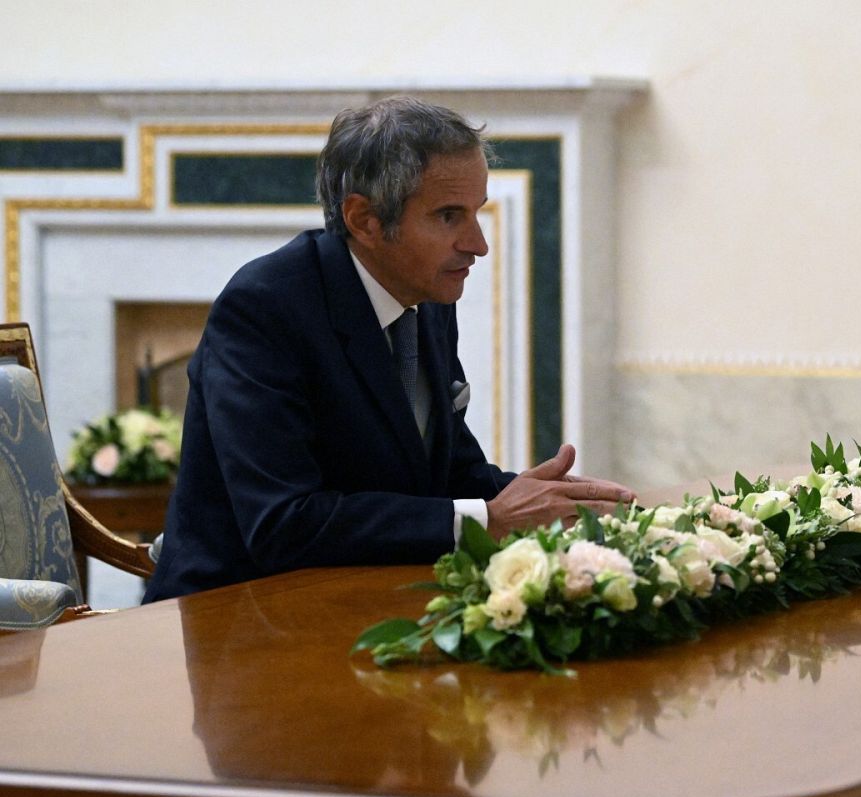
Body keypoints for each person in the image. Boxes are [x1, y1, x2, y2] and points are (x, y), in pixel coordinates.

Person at [145, 98, 634, 603]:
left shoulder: (428, 296)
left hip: (364, 599)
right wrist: (489, 519)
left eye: (476, 213)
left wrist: (558, 504)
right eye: (449, 216)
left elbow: (449, 475)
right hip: (234, 619)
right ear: (365, 219)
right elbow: (283, 524)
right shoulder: (265, 308)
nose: (478, 244)